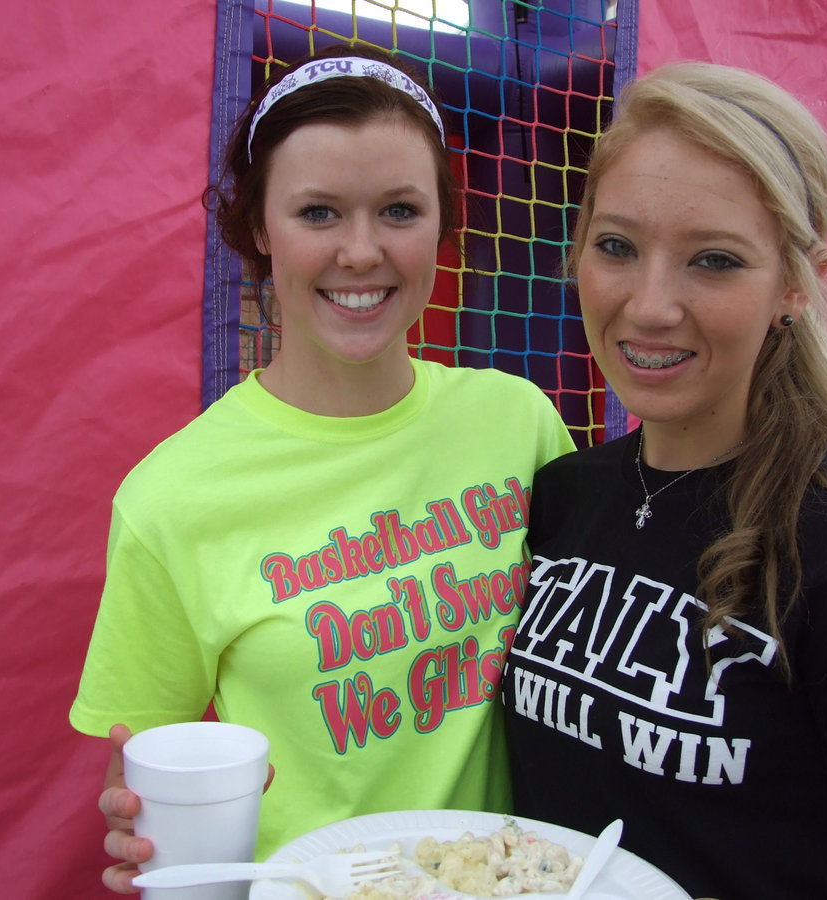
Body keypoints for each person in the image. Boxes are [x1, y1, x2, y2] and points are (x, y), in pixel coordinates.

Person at [501, 61, 827, 900]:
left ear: (796, 285)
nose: (649, 305)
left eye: (713, 261)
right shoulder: (564, 496)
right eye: (616, 246)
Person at [70, 43, 575, 893]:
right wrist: (145, 834)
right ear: (260, 228)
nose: (361, 252)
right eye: (318, 213)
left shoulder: (517, 421)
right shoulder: (172, 498)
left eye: (400, 210)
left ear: (443, 223)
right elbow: (144, 779)